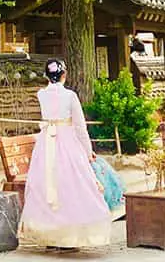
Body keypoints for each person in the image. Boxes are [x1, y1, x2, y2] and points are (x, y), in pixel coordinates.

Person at [18, 59, 112, 250]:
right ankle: (68, 237)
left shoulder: (41, 94)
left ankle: (49, 235)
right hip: (67, 141)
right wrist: (87, 151)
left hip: (46, 143)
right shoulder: (70, 96)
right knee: (71, 185)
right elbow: (79, 126)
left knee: (46, 184)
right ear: (64, 75)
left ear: (46, 76)